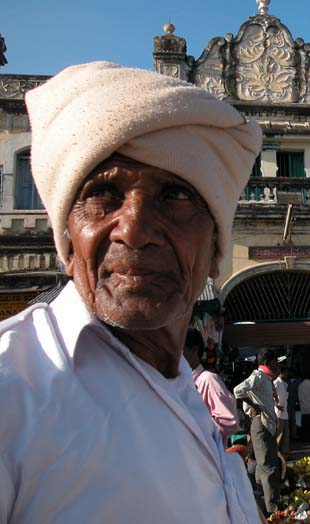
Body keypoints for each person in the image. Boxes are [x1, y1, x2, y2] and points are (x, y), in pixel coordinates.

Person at [0, 61, 263, 524]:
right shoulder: (13, 390)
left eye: (175, 196)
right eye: (103, 193)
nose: (135, 230)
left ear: (217, 244)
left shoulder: (185, 388)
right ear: (66, 235)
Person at [234, 348, 281, 515]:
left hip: (266, 424)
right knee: (268, 466)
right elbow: (238, 390)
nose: (277, 364)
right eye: (275, 361)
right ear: (268, 362)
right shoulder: (259, 376)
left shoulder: (266, 378)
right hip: (260, 424)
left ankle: (264, 501)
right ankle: (272, 508)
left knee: (266, 465)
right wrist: (255, 407)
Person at [183, 328, 240, 444]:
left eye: (179, 349)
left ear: (194, 350)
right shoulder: (182, 383)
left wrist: (195, 427)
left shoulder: (208, 380)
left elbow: (230, 422)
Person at [274, 366, 290, 456]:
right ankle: (276, 454)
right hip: (279, 413)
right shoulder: (275, 383)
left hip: (285, 412)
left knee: (286, 434)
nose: (287, 374)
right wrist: (276, 406)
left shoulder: (284, 384)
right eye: (286, 372)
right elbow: (271, 396)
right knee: (279, 434)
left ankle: (285, 453)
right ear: (281, 372)